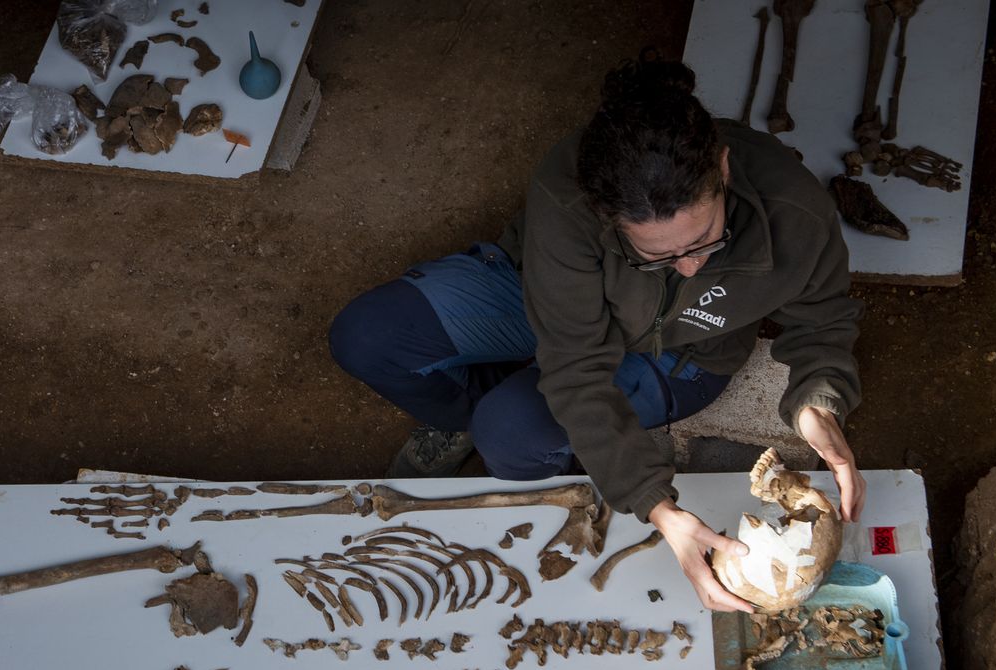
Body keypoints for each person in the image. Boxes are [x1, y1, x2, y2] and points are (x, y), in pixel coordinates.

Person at [328, 55, 865, 612]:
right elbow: (577, 368)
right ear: (605, 215)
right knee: (367, 337)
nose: (687, 268)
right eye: (656, 254)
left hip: (681, 352)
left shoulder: (795, 210)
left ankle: (503, 416)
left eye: (705, 241)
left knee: (511, 433)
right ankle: (461, 420)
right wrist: (654, 501)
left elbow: (824, 319)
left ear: (722, 169)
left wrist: (816, 402)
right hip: (550, 297)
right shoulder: (569, 193)